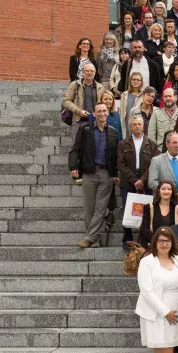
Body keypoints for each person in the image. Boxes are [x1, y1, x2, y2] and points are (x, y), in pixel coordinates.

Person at [136, 227, 178, 353]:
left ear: (172, 243)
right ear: (154, 242)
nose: (164, 244)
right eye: (161, 241)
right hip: (157, 316)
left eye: (167, 241)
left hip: (176, 314)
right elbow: (146, 291)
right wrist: (165, 312)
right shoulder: (147, 262)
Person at [69, 103, 119, 248]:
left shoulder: (113, 132)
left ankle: (89, 238)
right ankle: (94, 239)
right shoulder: (85, 129)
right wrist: (73, 166)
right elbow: (75, 149)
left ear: (108, 112)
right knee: (89, 208)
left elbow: (116, 156)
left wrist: (115, 173)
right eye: (99, 111)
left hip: (106, 174)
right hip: (89, 172)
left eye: (104, 111)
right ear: (94, 113)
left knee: (101, 208)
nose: (102, 113)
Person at [118, 116, 160, 244]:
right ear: (130, 126)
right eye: (134, 124)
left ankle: (144, 240)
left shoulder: (152, 144)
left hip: (145, 183)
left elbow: (154, 164)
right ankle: (127, 239)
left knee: (146, 211)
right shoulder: (122, 144)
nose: (137, 126)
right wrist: (134, 180)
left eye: (139, 124)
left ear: (143, 126)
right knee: (127, 209)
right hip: (128, 182)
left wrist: (142, 180)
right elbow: (120, 164)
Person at [139, 181, 178, 249]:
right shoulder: (149, 207)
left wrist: (169, 242)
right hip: (153, 245)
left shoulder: (177, 208)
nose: (166, 191)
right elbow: (145, 229)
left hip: (172, 246)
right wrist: (158, 241)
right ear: (158, 191)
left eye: (169, 189)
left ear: (172, 191)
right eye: (163, 189)